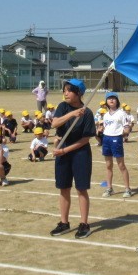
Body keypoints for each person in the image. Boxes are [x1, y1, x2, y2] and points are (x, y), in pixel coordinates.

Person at [50, 79, 96, 239]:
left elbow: (85, 139)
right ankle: (64, 222)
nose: (65, 93)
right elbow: (55, 123)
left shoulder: (87, 113)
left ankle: (84, 224)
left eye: (69, 90)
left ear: (79, 93)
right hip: (62, 151)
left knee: (81, 189)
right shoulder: (63, 107)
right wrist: (72, 114)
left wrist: (64, 150)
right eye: (64, 90)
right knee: (63, 188)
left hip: (80, 153)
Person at [100, 92, 133, 198]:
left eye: (113, 98)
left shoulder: (121, 113)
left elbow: (127, 127)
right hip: (106, 139)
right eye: (109, 98)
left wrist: (125, 132)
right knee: (108, 165)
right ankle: (109, 188)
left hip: (116, 139)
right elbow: (105, 127)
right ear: (106, 101)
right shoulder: (105, 115)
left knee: (121, 165)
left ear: (117, 101)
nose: (111, 100)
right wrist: (101, 129)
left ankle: (127, 189)